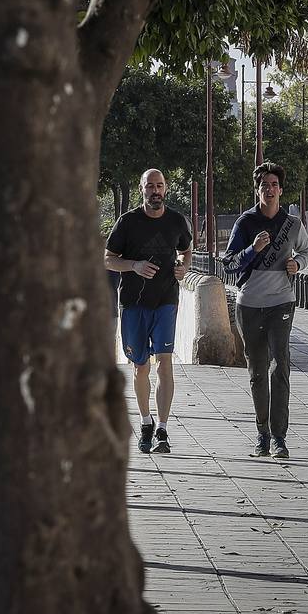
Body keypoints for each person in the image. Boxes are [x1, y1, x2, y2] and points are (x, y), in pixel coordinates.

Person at [224, 162, 308, 459]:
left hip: (281, 303)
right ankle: (261, 433)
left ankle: (279, 438)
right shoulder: (245, 222)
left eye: (274, 184)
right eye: (264, 185)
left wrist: (297, 264)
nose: (270, 189)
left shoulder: (293, 223)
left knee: (281, 367)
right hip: (249, 305)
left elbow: (306, 252)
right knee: (257, 372)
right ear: (258, 189)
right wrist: (253, 250)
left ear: (281, 189)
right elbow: (230, 263)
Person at [105, 169, 193, 454]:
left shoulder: (176, 221)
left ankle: (163, 429)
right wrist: (134, 266)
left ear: (165, 189)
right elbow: (108, 259)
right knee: (141, 365)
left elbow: (187, 249)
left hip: (166, 299)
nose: (156, 191)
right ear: (142, 189)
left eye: (160, 185)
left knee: (164, 362)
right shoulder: (128, 222)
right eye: (150, 186)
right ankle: (145, 421)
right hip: (133, 303)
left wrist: (184, 267)